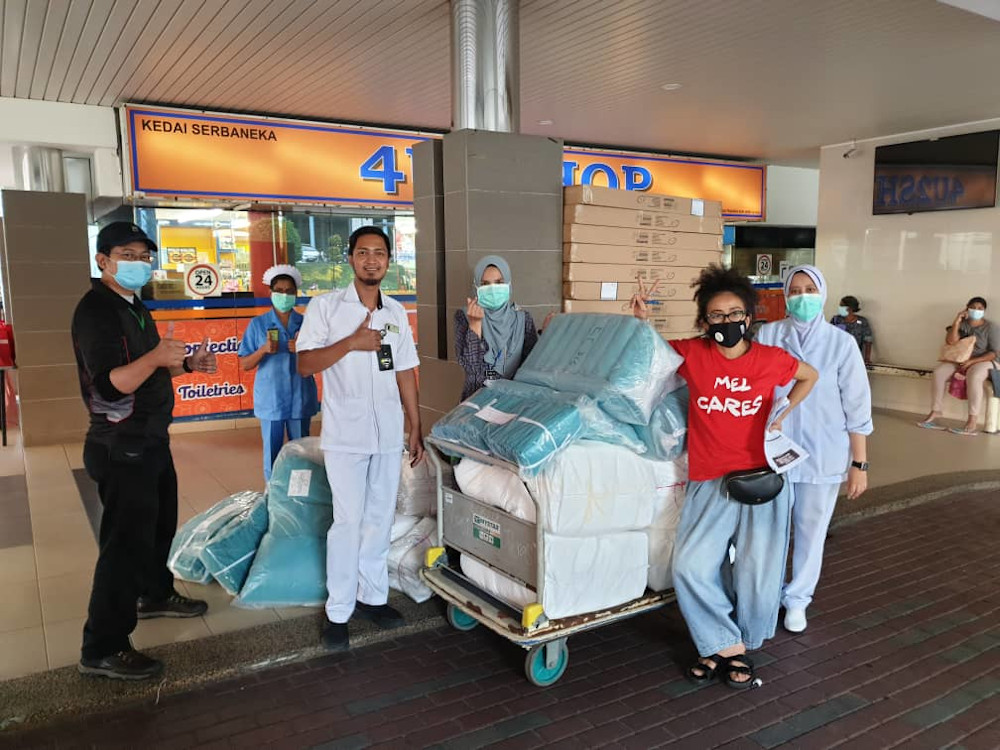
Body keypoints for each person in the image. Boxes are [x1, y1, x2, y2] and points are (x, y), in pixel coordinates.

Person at [633, 266, 818, 689]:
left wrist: (783, 412)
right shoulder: (693, 355)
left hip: (763, 481)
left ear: (749, 317)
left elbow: (810, 376)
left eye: (735, 313)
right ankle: (726, 643)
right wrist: (642, 321)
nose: (727, 322)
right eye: (716, 315)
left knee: (757, 572)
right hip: (710, 481)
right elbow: (651, 355)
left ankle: (733, 646)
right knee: (690, 566)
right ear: (704, 321)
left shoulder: (771, 360)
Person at [71, 222, 215, 680]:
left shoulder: (134, 305)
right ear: (103, 260)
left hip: (150, 439)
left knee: (157, 528)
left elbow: (144, 373)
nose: (139, 263)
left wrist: (186, 364)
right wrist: (156, 356)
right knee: (124, 546)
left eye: (144, 256)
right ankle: (103, 646)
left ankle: (153, 594)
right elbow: (110, 386)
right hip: (121, 445)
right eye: (128, 255)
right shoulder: (97, 311)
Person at [297, 226, 425, 652]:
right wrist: (351, 342)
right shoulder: (326, 307)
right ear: (350, 258)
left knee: (379, 518)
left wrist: (415, 424)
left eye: (380, 253)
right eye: (364, 252)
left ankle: (373, 597)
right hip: (346, 435)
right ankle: (338, 612)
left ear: (389, 261)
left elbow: (404, 371)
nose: (372, 260)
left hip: (387, 433)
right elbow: (305, 364)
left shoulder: (396, 313)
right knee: (348, 521)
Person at [756, 266, 873, 633]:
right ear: (785, 295)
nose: (802, 296)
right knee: (770, 531)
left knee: (811, 530)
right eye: (795, 290)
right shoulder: (769, 334)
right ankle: (768, 593)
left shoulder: (841, 343)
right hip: (774, 451)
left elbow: (857, 406)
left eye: (809, 289)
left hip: (824, 452)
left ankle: (797, 599)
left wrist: (859, 463)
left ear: (822, 293)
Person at [238, 265, 319, 482]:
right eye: (280, 291)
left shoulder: (306, 324)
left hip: (300, 397)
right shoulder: (258, 324)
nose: (284, 295)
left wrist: (302, 351)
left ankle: (301, 494)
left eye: (289, 291)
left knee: (302, 453)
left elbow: (319, 361)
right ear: (271, 292)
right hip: (271, 398)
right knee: (272, 453)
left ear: (296, 294)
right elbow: (245, 363)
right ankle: (273, 493)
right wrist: (263, 350)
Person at [454, 255, 538, 400]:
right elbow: (472, 370)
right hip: (477, 400)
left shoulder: (523, 319)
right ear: (477, 287)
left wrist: (548, 332)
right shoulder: (464, 317)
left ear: (509, 284)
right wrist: (475, 326)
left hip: (514, 400)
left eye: (499, 282)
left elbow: (532, 366)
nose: (493, 289)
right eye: (485, 284)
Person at [918, 297, 1000, 436]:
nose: (976, 310)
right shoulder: (962, 324)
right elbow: (951, 342)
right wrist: (957, 321)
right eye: (973, 307)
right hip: (961, 359)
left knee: (974, 375)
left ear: (984, 311)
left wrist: (972, 361)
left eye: (980, 308)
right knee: (939, 373)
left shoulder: (991, 327)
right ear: (967, 308)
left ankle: (972, 421)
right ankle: (936, 411)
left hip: (986, 361)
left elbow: (995, 352)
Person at [830, 295, 874, 364]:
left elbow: (868, 341)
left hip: (854, 357)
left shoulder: (862, 322)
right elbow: (829, 337)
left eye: (841, 306)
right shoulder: (836, 320)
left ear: (849, 308)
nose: (839, 307)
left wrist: (867, 358)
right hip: (836, 357)